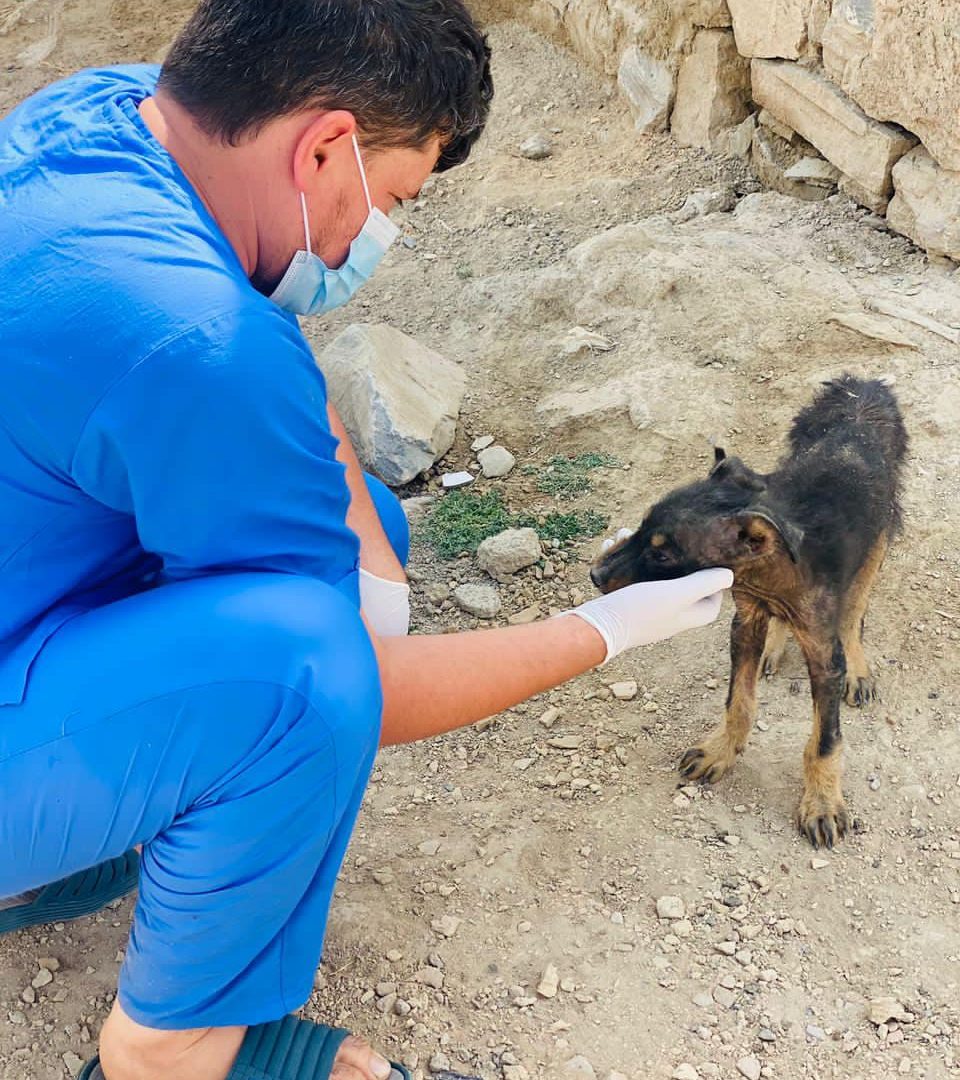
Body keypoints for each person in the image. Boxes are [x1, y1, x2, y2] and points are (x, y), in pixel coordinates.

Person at [0, 2, 733, 1079]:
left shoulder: (109, 118)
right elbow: (359, 684)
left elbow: (264, 352)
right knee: (299, 676)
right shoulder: (197, 341)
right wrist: (603, 629)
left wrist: (375, 560)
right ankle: (171, 1047)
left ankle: (57, 853)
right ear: (326, 148)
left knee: (358, 529)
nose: (372, 240)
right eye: (393, 200)